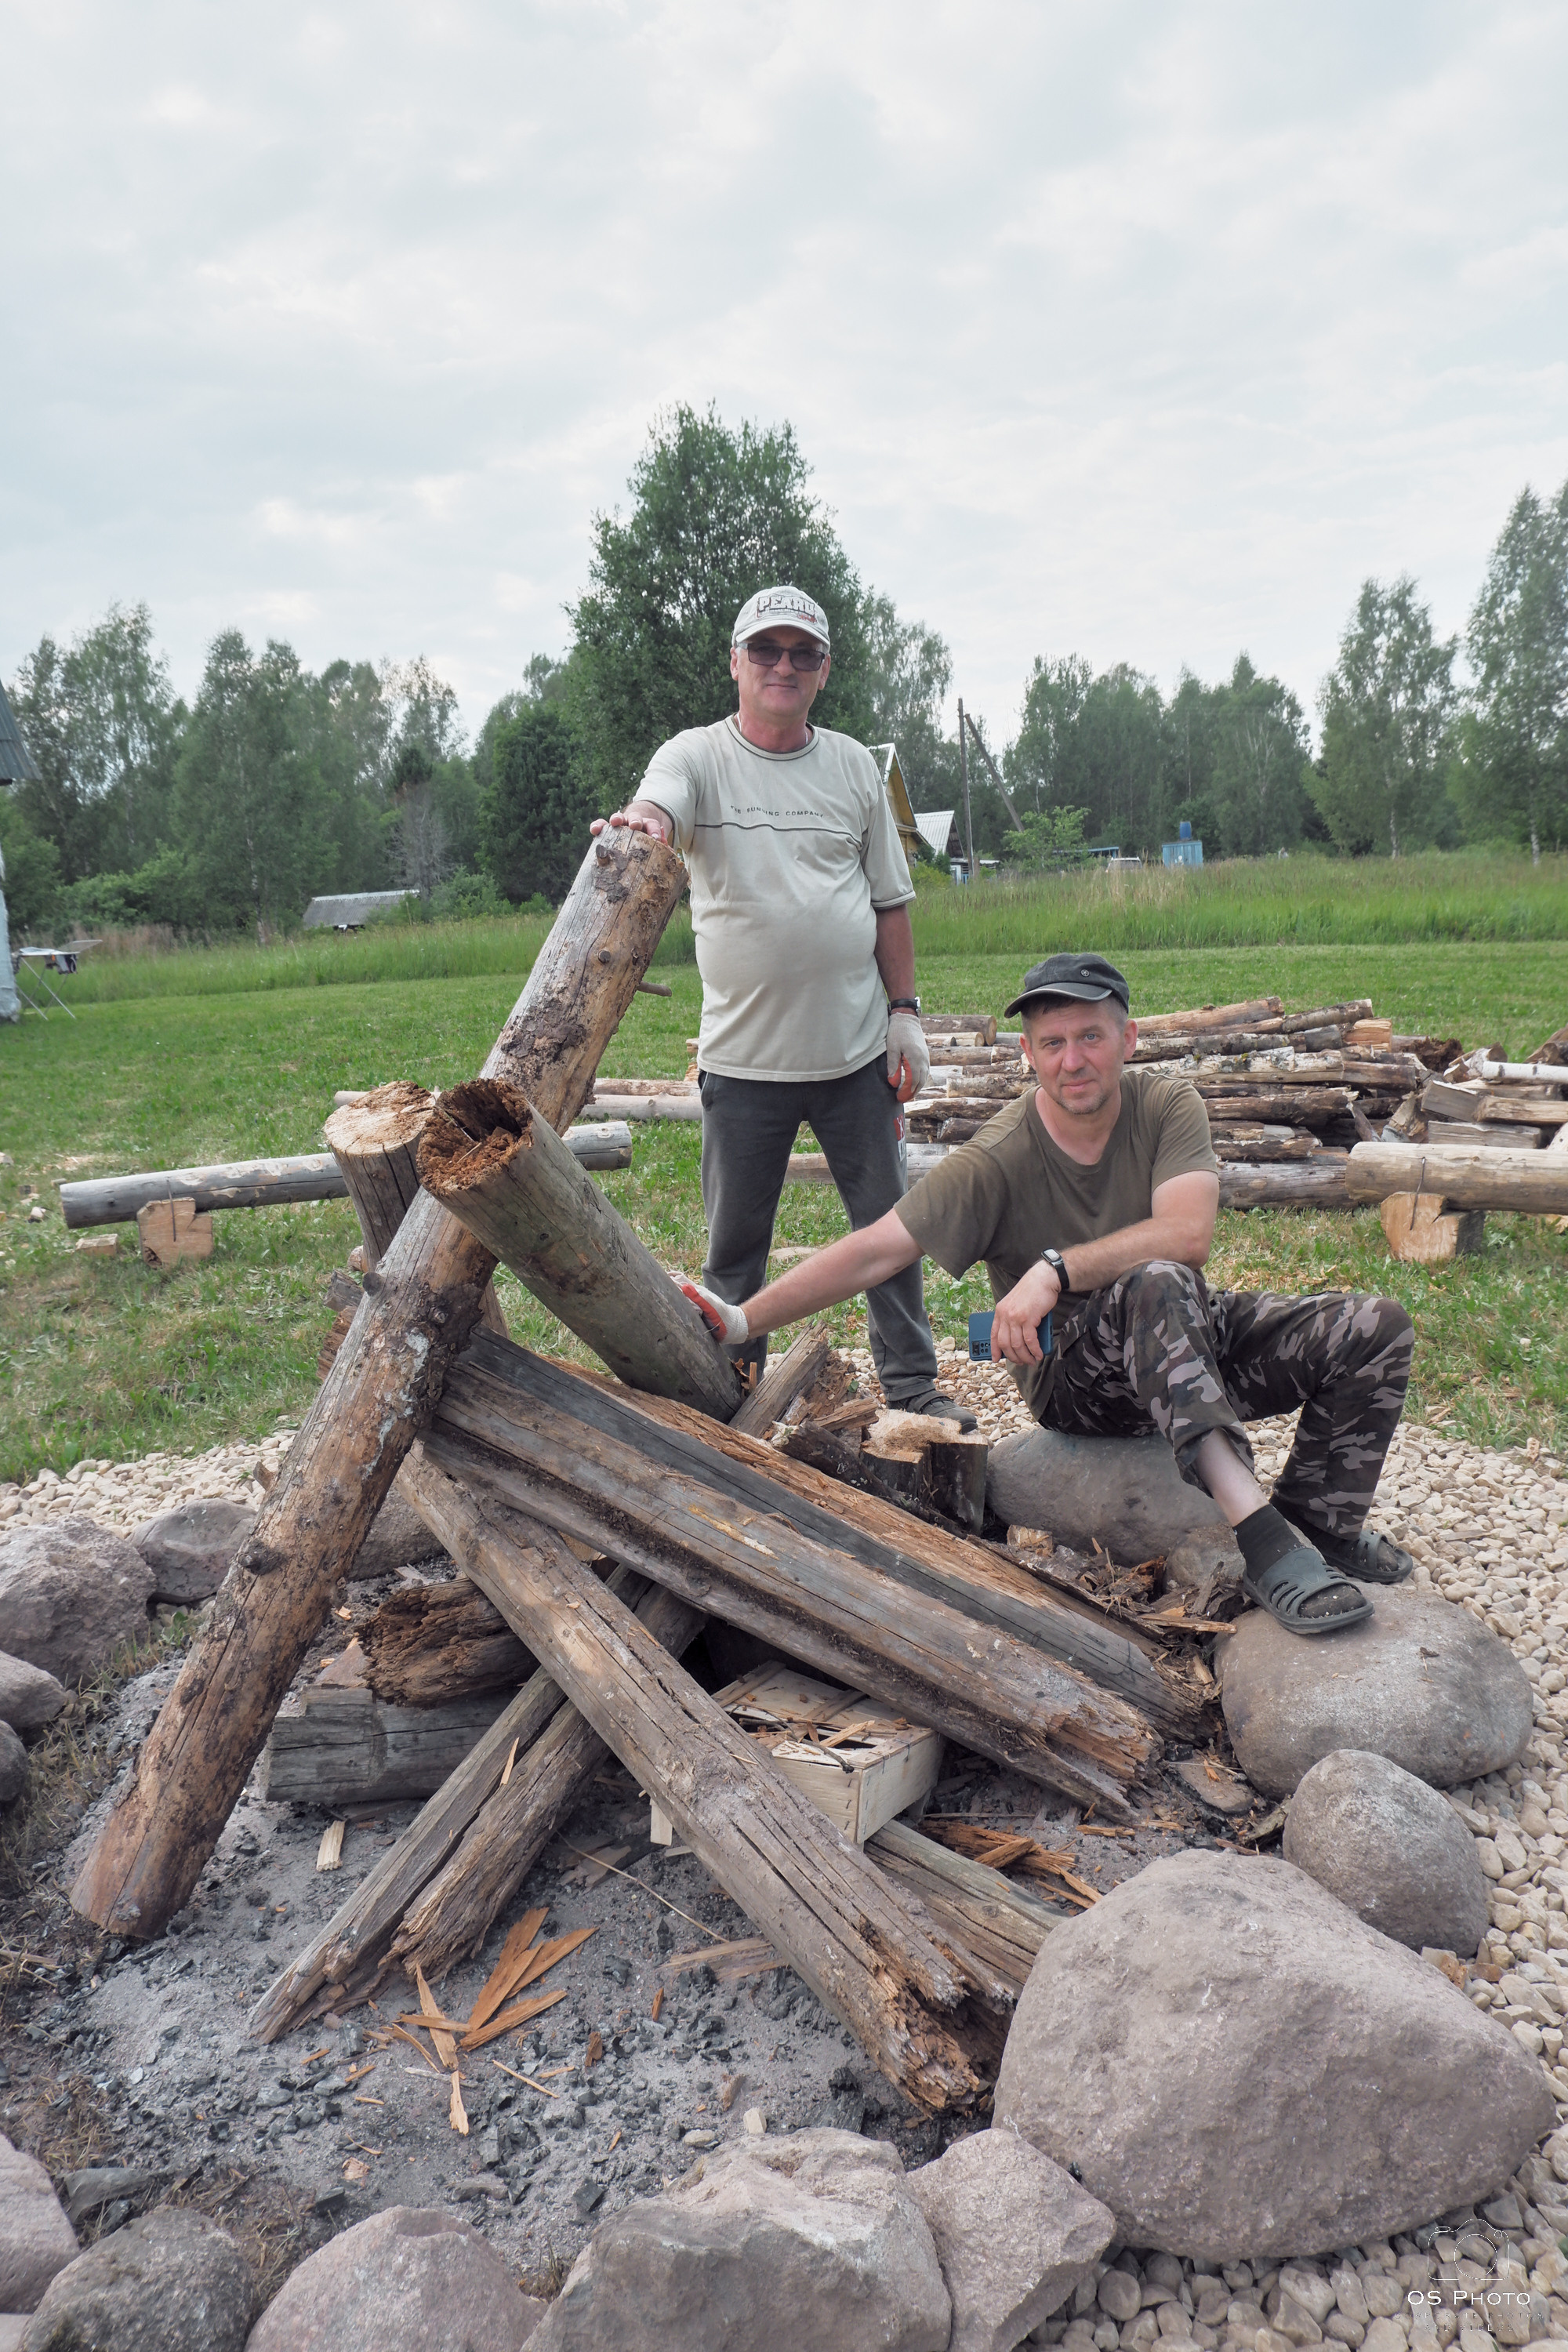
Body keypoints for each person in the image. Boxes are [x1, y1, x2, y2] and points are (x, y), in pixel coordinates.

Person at [685, 950, 1417, 1638]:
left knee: (1373, 1326)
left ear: (1128, 1039)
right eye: (1054, 1043)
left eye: (1091, 1037)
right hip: (1077, 1380)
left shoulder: (1168, 1106)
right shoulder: (999, 1157)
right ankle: (1261, 1539)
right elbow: (875, 1249)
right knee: (1155, 1282)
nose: (1074, 1060)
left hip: (1179, 1334)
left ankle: (1319, 1526)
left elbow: (1187, 1234)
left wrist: (1053, 1269)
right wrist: (742, 1317)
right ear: (1028, 1055)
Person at [593, 582, 973, 1427]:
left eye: (803, 653)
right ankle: (729, 1396)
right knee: (734, 1252)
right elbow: (658, 804)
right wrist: (643, 824)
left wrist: (904, 1013)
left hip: (856, 1058)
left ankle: (913, 1387)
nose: (783, 665)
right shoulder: (697, 755)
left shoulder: (853, 766)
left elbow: (888, 903)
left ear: (823, 670)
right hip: (741, 1066)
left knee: (890, 1234)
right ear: (735, 662)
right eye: (765, 649)